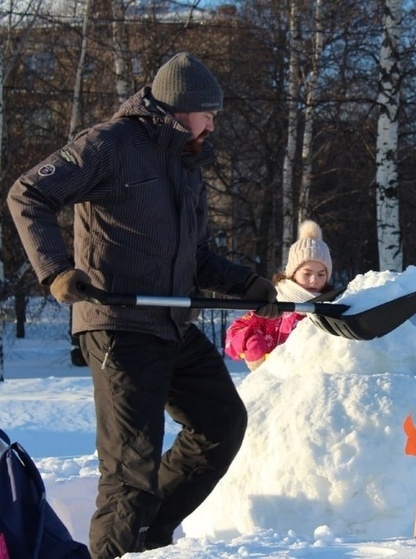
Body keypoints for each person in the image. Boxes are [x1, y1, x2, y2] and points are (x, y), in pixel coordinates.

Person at [6, 52, 280, 558]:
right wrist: (57, 271)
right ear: (181, 107)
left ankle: (148, 535)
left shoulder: (186, 166)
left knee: (220, 424)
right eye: (208, 113)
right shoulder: (110, 145)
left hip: (171, 323)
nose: (213, 123)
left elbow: (194, 257)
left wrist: (250, 286)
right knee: (130, 469)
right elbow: (28, 193)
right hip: (117, 325)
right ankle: (118, 546)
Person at [225, 219, 335, 370]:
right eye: (307, 273)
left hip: (317, 385)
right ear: (292, 273)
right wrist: (251, 342)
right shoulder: (275, 304)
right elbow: (233, 335)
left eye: (321, 274)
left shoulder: (333, 307)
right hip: (276, 384)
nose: (314, 280)